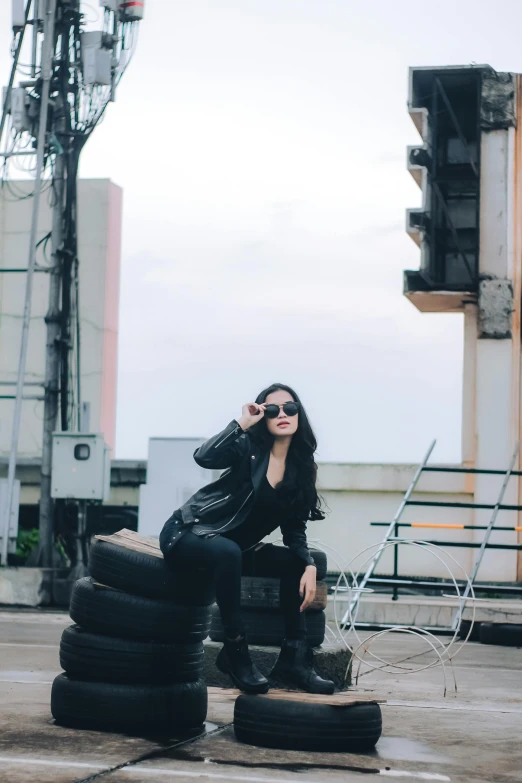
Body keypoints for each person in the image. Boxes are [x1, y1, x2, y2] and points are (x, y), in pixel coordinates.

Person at [159, 383, 334, 695]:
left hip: (234, 549)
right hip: (189, 532)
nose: (282, 414)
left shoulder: (302, 467)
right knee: (228, 552)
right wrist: (241, 423)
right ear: (262, 416)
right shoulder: (248, 448)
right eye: (272, 409)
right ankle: (235, 651)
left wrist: (307, 564)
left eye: (290, 408)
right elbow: (204, 457)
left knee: (294, 560)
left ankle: (294, 658)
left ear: (298, 415)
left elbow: (294, 529)